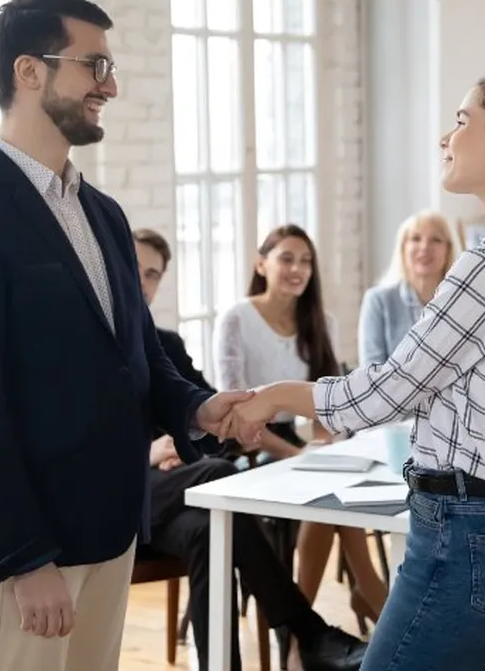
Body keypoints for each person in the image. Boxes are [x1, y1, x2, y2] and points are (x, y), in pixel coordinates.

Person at [0, 0, 249, 671]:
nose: (110, 86)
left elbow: (139, 358)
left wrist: (196, 407)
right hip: (33, 551)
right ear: (29, 72)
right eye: (94, 66)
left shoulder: (104, 215)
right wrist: (25, 558)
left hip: (111, 531)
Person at [231, 71, 485, 669]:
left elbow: (383, 393)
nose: (445, 137)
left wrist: (273, 396)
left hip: (473, 535)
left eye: (461, 120)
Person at [133, 228, 368, 671]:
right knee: (222, 480)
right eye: (134, 269)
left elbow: (206, 412)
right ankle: (308, 631)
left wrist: (185, 446)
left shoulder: (164, 345)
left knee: (210, 529)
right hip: (118, 492)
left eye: (153, 274)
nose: (142, 282)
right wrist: (149, 453)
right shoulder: (89, 347)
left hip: (170, 493)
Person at [213, 226, 389, 629]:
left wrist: (324, 446)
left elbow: (329, 405)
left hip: (301, 445)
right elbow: (236, 415)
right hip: (247, 449)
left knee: (333, 493)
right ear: (262, 264)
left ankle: (302, 630)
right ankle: (368, 594)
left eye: (306, 261)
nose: (298, 269)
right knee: (328, 497)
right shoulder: (236, 319)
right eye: (287, 258)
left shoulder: (319, 320)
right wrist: (298, 455)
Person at [358, 211, 457, 364]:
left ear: (448, 250)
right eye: (416, 239)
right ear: (403, 248)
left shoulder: (460, 301)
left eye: (436, 240)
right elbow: (371, 372)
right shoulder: (378, 300)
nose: (424, 247)